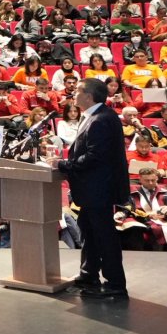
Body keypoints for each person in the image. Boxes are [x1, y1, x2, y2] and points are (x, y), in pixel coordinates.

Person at [56, 78, 128, 299]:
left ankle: (115, 283)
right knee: (89, 231)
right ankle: (89, 275)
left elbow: (96, 157)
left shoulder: (101, 120)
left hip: (99, 189)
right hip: (92, 190)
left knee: (104, 236)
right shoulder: (94, 116)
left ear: (89, 96)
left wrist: (62, 164)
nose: (73, 94)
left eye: (77, 91)